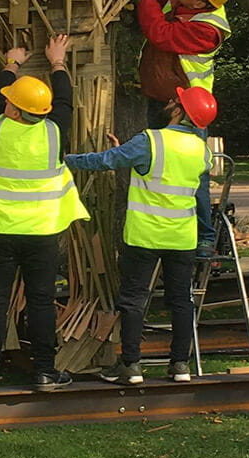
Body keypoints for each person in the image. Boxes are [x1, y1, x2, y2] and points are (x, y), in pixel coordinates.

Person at [66, 86, 216, 385]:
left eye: (176, 100)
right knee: (181, 301)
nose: (171, 100)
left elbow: (107, 161)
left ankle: (131, 366)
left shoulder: (151, 140)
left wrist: (67, 160)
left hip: (144, 236)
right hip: (181, 237)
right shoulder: (202, 151)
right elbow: (182, 184)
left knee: (134, 300)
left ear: (179, 111)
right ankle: (180, 366)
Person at [0, 33, 89, 394]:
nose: (4, 103)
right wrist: (58, 62)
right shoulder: (54, 131)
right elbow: (64, 99)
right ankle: (45, 372)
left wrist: (12, 62)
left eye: (10, 102)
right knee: (40, 302)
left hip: (2, 231)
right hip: (43, 233)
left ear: (17, 111)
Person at [135, 0, 233, 105]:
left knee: (174, 129)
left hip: (185, 103)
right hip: (165, 93)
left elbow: (161, 34)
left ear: (200, 3)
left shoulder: (207, 30)